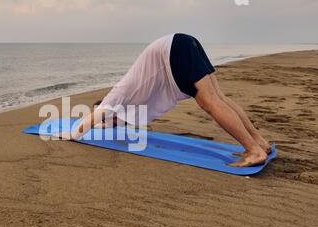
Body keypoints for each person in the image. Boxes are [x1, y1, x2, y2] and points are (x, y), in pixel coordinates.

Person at [55, 33, 271, 168]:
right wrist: (102, 123)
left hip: (172, 52)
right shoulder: (125, 108)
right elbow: (106, 121)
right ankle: (259, 143)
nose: (108, 122)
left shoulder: (117, 94)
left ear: (108, 108)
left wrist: (72, 134)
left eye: (106, 117)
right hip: (182, 42)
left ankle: (254, 151)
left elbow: (96, 117)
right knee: (219, 98)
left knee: (209, 102)